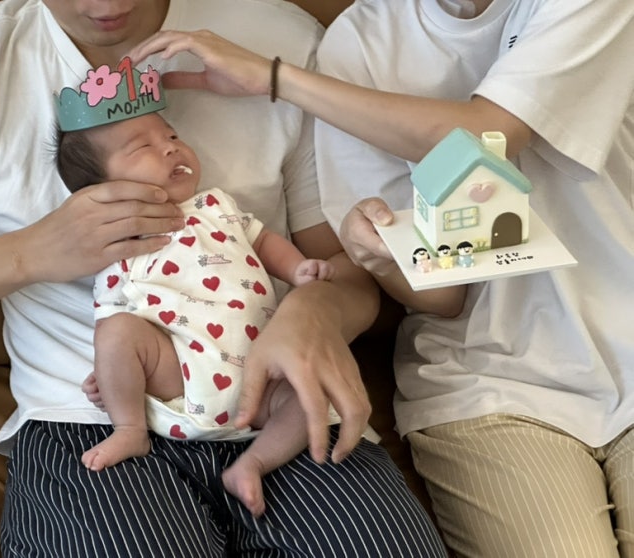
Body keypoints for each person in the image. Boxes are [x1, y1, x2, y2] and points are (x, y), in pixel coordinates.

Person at [0, 0, 449, 556]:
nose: (106, 5)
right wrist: (29, 254)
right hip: (91, 419)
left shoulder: (280, 44)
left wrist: (318, 310)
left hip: (277, 395)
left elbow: (351, 266)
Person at [125, 1, 634, 556]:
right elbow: (442, 299)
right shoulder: (359, 42)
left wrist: (277, 79)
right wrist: (382, 257)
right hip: (488, 386)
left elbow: (490, 133)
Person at [55, 67, 336, 516]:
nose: (170, 147)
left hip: (263, 372)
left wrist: (298, 270)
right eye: (144, 147)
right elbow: (110, 315)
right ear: (104, 189)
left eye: (171, 136)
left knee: (311, 396)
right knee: (118, 332)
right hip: (182, 372)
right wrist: (111, 372)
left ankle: (253, 464)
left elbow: (262, 240)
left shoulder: (216, 205)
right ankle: (129, 429)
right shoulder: (121, 239)